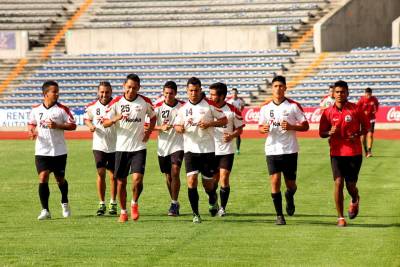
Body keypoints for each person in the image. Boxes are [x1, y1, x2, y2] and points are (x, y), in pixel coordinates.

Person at [103, 74, 156, 223]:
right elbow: (105, 122)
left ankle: (134, 203)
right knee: (121, 182)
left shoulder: (145, 102)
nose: (131, 90)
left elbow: (153, 117)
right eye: (129, 87)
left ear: (138, 88)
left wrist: (149, 132)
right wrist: (115, 118)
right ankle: (123, 211)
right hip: (121, 148)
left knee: (137, 180)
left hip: (139, 147)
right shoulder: (116, 102)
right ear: (123, 86)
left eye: (134, 87)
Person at [174, 77, 227, 223]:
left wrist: (210, 123)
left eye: (196, 90)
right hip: (190, 150)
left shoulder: (209, 105)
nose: (193, 93)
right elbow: (177, 126)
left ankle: (212, 198)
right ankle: (196, 214)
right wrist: (181, 128)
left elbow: (224, 120)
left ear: (200, 90)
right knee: (191, 181)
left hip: (207, 150)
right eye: (191, 90)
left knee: (208, 185)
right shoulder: (183, 109)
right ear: (187, 91)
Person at [258, 75, 309, 225]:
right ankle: (279, 215)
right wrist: (263, 129)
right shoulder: (265, 108)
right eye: (275, 86)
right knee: (274, 181)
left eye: (281, 86)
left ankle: (289, 196)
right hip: (272, 150)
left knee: (291, 185)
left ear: (285, 88)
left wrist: (292, 127)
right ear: (272, 89)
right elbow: (261, 127)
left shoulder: (293, 106)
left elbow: (306, 126)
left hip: (290, 150)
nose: (278, 89)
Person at [319, 80, 370, 227]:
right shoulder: (328, 112)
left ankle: (355, 199)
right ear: (333, 94)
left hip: (354, 152)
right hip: (336, 152)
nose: (340, 94)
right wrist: (329, 132)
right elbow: (321, 133)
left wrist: (357, 134)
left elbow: (366, 127)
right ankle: (340, 217)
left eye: (343, 92)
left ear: (347, 93)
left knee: (351, 185)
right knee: (338, 182)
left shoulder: (356, 109)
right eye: (337, 92)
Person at [28, 80, 77, 220]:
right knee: (43, 177)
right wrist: (31, 132)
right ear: (45, 94)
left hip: (59, 151)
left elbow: (73, 126)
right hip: (42, 151)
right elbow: (31, 124)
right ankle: (45, 210)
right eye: (54, 91)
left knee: (60, 179)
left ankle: (65, 201)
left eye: (57, 91)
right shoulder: (36, 110)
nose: (57, 94)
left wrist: (58, 125)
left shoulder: (62, 109)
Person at [209, 82, 244, 217]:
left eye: (213, 94)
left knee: (224, 178)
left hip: (226, 150)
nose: (211, 97)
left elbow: (240, 128)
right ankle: (213, 201)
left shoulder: (232, 110)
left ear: (222, 96)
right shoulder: (207, 108)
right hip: (210, 150)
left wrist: (232, 135)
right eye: (210, 94)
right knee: (212, 181)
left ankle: (222, 208)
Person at [84, 81, 118, 216]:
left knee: (113, 176)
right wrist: (90, 125)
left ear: (111, 92)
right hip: (99, 145)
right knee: (101, 173)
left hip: (115, 145)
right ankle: (102, 203)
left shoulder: (116, 105)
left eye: (107, 92)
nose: (104, 94)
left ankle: (113, 203)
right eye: (102, 92)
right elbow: (87, 119)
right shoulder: (92, 106)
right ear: (98, 92)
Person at [154, 81, 185, 216]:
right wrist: (161, 127)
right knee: (168, 176)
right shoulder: (157, 107)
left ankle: (173, 203)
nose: (168, 96)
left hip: (178, 145)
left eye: (171, 93)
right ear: (163, 93)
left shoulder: (183, 107)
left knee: (175, 171)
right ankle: (174, 201)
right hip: (163, 146)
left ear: (175, 93)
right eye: (166, 93)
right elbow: (147, 126)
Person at [357, 87, 379, 158]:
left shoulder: (374, 99)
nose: (368, 95)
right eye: (367, 94)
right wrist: (363, 113)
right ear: (365, 94)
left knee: (370, 134)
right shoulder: (362, 99)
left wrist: (375, 110)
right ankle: (365, 150)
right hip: (363, 120)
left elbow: (377, 105)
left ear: (371, 94)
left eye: (369, 94)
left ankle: (369, 151)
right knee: (363, 137)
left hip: (371, 119)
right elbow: (357, 108)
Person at [227, 88, 246, 154]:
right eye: (233, 93)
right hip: (231, 119)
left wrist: (239, 111)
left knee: (238, 134)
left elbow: (242, 107)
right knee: (229, 133)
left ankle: (238, 149)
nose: (234, 94)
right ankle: (229, 148)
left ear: (237, 93)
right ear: (231, 94)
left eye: (235, 93)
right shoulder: (229, 101)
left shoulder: (240, 101)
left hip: (237, 119)